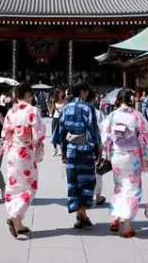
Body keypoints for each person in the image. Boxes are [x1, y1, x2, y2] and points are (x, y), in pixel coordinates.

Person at [101, 88, 148, 238]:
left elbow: (105, 137)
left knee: (120, 186)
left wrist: (109, 151)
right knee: (133, 189)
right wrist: (146, 155)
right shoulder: (137, 116)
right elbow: (146, 137)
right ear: (130, 100)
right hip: (132, 157)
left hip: (117, 155)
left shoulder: (112, 116)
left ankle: (116, 217)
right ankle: (127, 226)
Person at [52, 80, 101, 229]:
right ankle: (82, 213)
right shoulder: (88, 108)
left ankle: (81, 214)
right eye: (86, 91)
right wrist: (97, 147)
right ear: (82, 92)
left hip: (71, 149)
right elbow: (93, 130)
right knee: (87, 180)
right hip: (85, 149)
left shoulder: (65, 109)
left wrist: (64, 151)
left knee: (73, 181)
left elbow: (61, 132)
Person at [1, 83, 45, 237]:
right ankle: (15, 215)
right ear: (27, 94)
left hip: (13, 152)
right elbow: (38, 134)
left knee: (13, 187)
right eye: (31, 94)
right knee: (29, 187)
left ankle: (18, 224)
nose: (32, 97)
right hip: (25, 152)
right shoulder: (32, 110)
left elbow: (4, 133)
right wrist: (37, 141)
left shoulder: (11, 111)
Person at [87, 90, 107, 206]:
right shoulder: (97, 113)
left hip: (79, 146)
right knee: (97, 171)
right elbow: (102, 130)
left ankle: (86, 196)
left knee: (83, 172)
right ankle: (98, 196)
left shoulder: (78, 110)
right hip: (94, 145)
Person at [49, 90, 65, 157]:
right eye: (59, 93)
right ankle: (55, 149)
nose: (61, 93)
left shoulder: (65, 100)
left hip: (62, 118)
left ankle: (61, 149)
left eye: (61, 93)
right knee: (53, 133)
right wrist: (48, 105)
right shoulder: (54, 101)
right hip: (55, 118)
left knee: (61, 134)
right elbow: (51, 110)